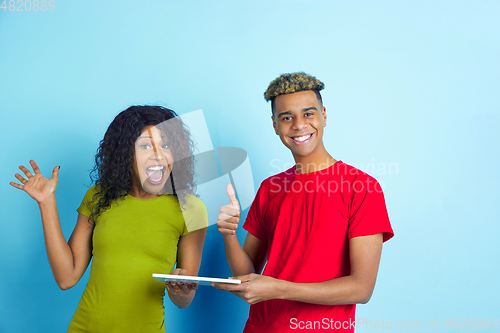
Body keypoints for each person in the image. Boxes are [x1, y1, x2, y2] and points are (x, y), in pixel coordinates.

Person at [213, 72, 394, 332]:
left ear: (324, 115)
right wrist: (228, 234)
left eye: (308, 114)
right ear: (275, 125)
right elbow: (246, 275)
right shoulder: (270, 188)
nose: (299, 125)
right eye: (287, 117)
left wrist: (279, 288)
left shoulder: (362, 188)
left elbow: (361, 288)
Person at [10, 105, 208, 333]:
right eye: (145, 146)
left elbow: (184, 301)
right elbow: (66, 277)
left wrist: (181, 290)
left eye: (165, 145)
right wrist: (46, 203)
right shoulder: (99, 197)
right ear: (125, 154)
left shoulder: (191, 209)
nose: (159, 154)